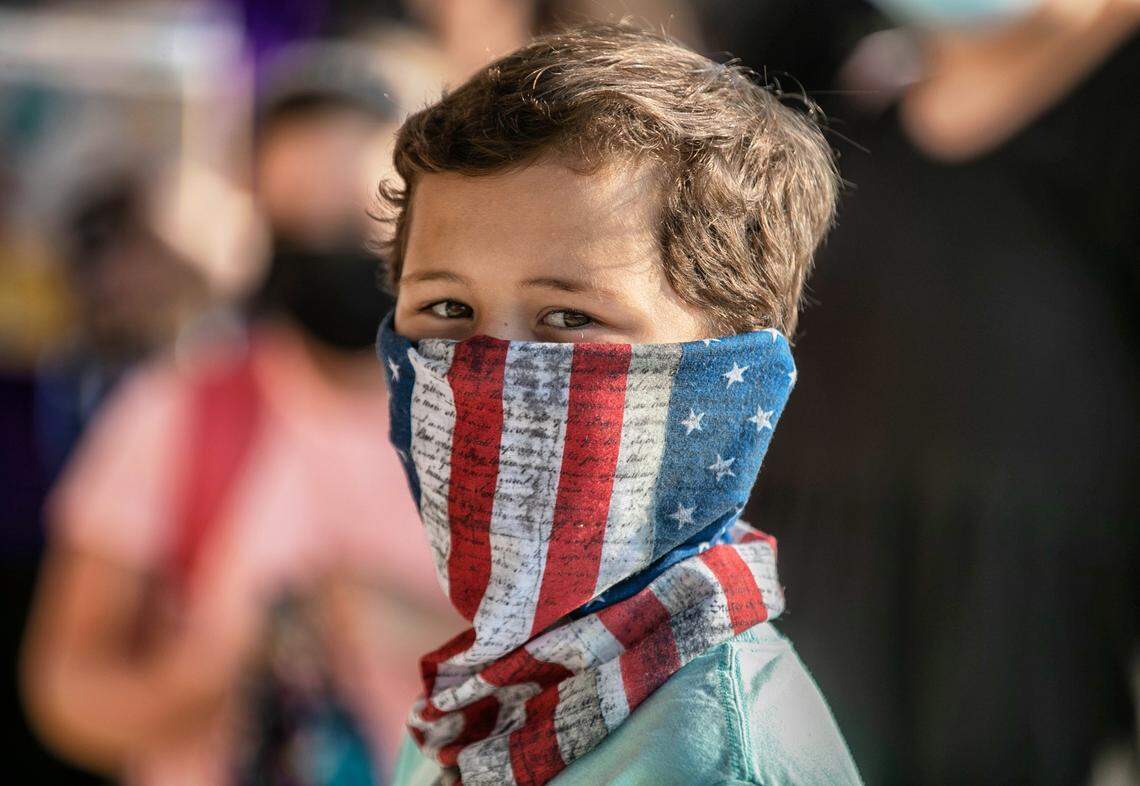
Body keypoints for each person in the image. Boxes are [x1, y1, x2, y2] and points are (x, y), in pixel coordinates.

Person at [371, 22, 863, 785]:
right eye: (445, 309)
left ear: (728, 374)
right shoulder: (491, 698)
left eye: (569, 319)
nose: (487, 371)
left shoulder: (716, 763)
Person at [21, 51, 462, 786]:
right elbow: (67, 686)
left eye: (358, 217)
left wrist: (430, 641)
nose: (323, 245)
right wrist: (201, 682)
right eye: (293, 218)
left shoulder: (514, 419)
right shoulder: (178, 410)